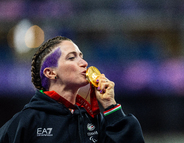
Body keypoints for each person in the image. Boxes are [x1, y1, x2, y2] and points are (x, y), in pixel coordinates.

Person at [0, 36, 145, 143]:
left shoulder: (94, 120)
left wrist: (110, 106)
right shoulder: (27, 121)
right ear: (50, 73)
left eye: (81, 56)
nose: (84, 63)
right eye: (72, 58)